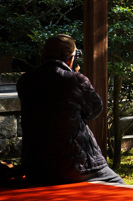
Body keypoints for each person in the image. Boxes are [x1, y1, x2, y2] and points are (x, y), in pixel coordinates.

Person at [16, 34, 124, 185]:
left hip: (35, 165)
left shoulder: (25, 81)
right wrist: (77, 75)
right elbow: (95, 111)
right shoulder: (75, 80)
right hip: (74, 165)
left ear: (43, 56)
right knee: (118, 184)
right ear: (70, 58)